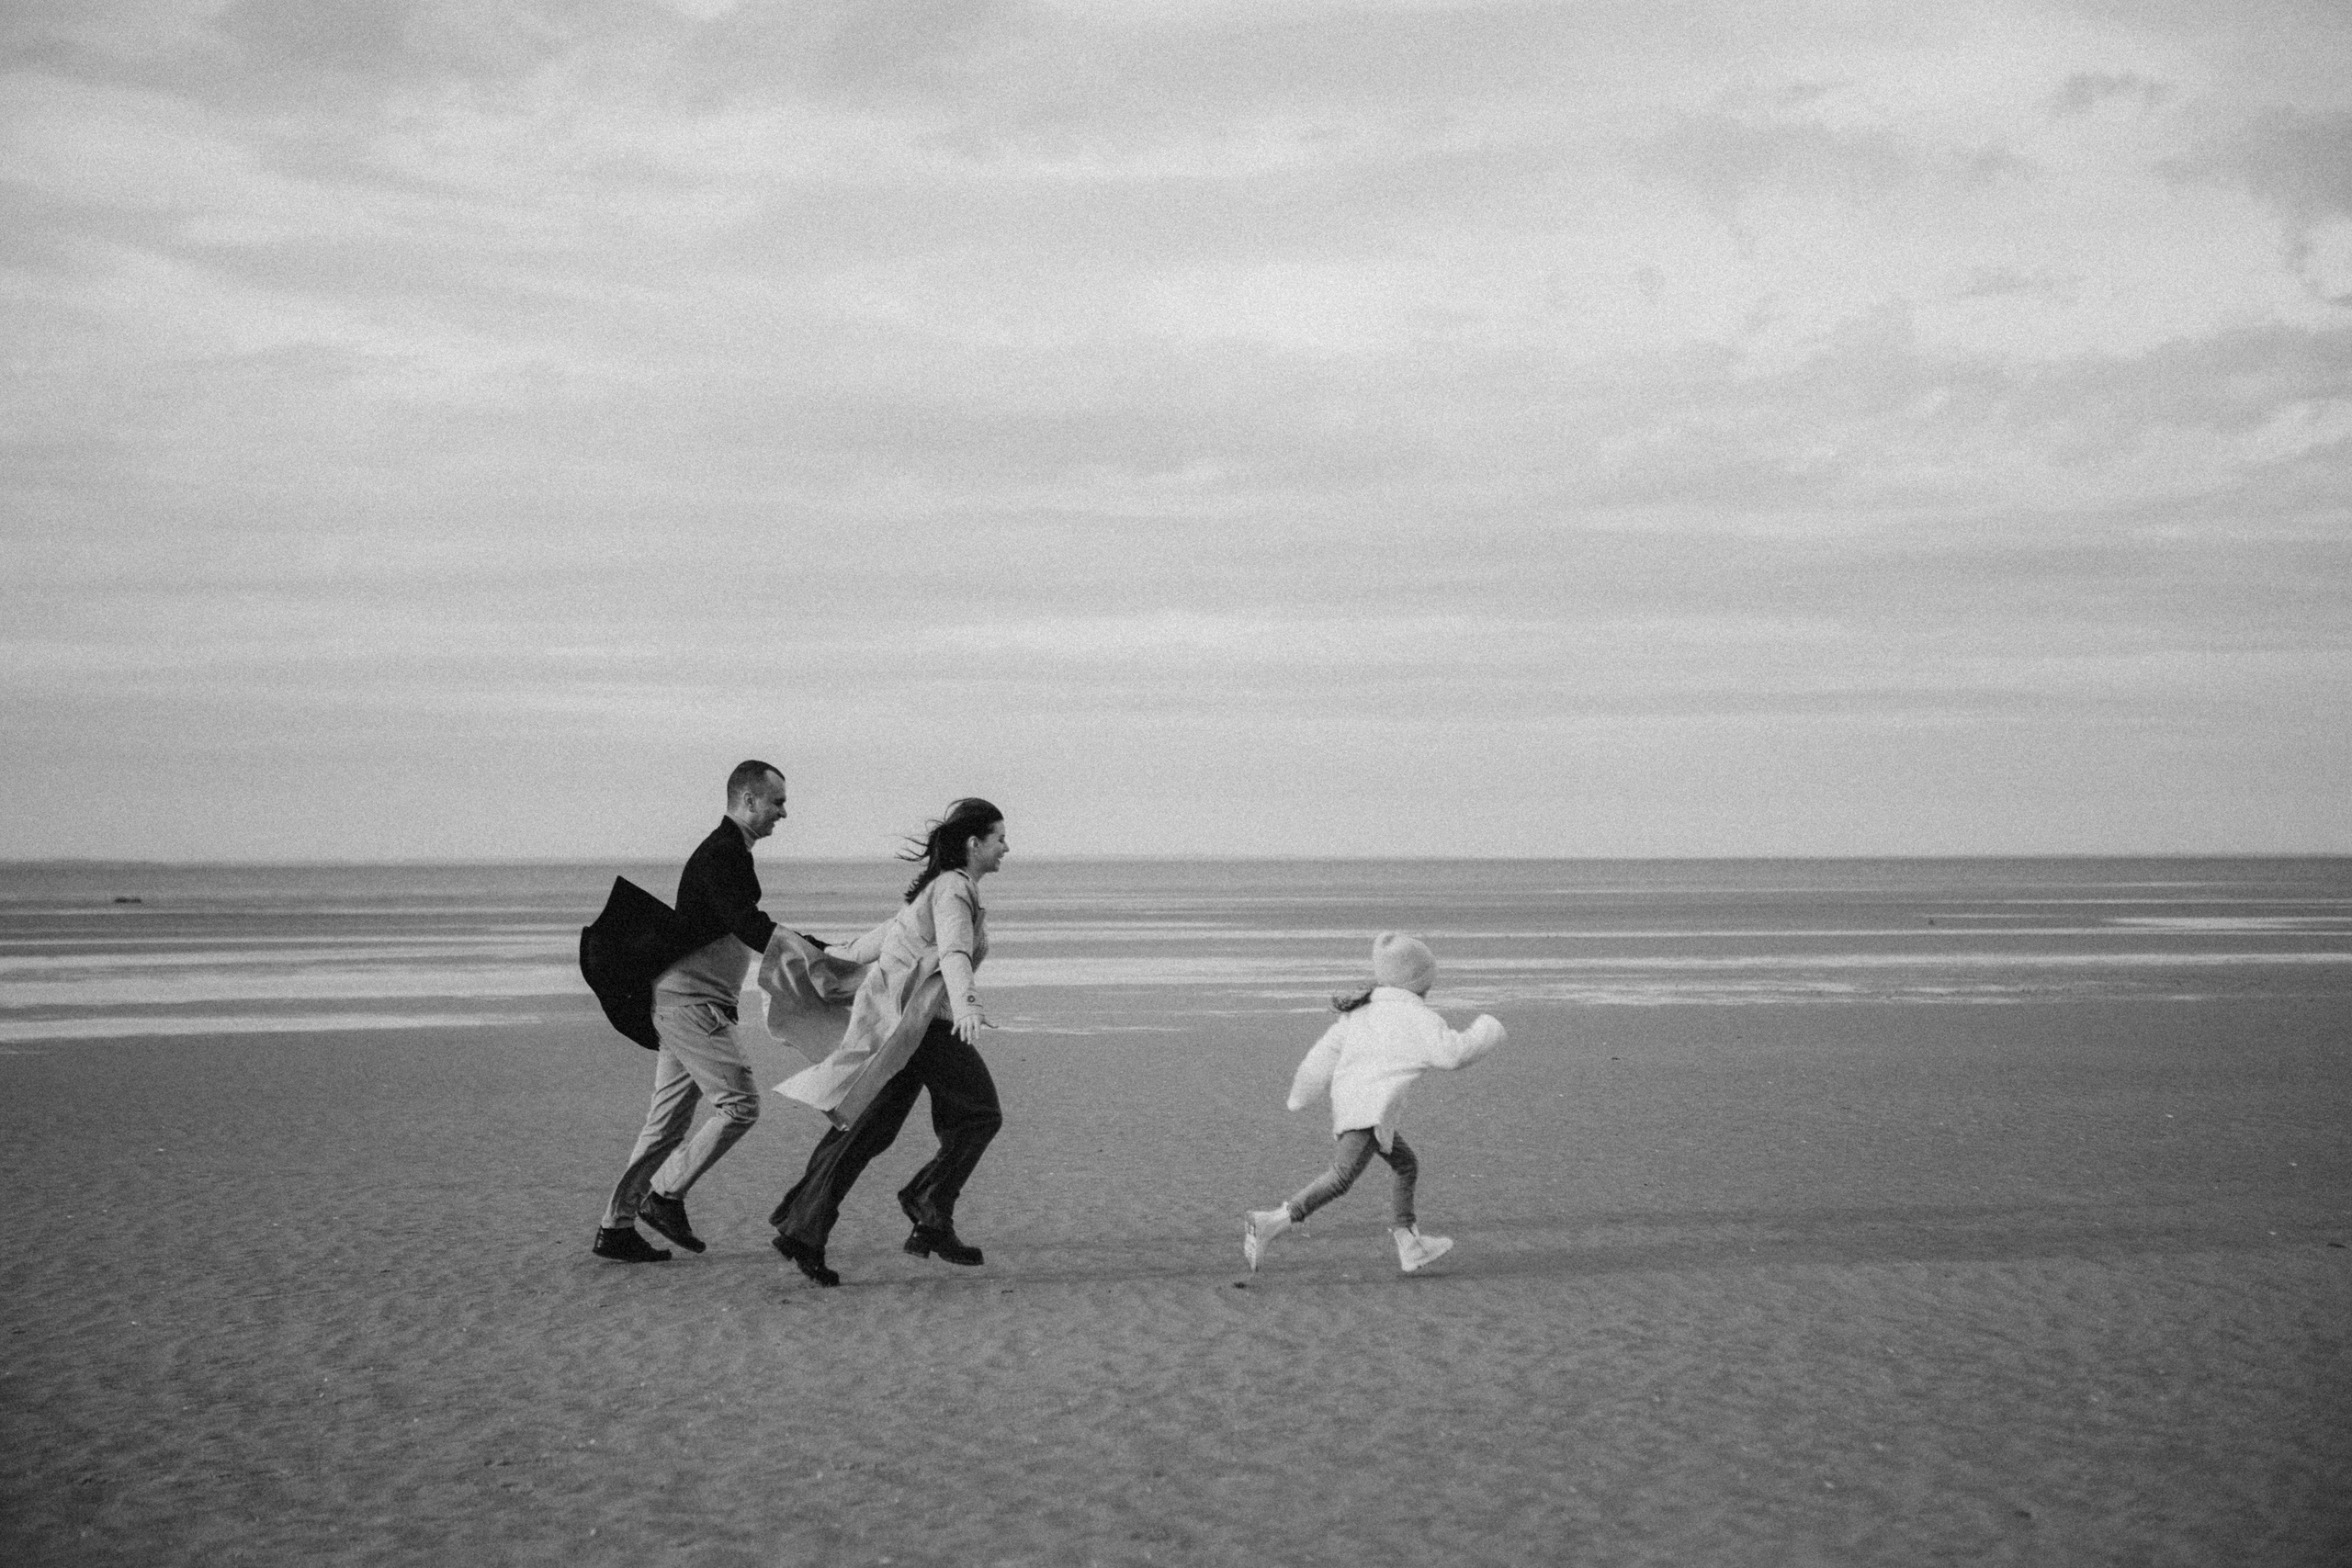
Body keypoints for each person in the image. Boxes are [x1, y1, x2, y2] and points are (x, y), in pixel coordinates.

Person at [768, 798, 1009, 1286]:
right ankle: (928, 1204)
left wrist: (823, 954)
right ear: (974, 843)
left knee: (865, 1128)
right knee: (980, 1114)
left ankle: (802, 1227)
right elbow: (954, 951)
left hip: (903, 1030)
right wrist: (966, 1006)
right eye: (1000, 838)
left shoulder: (936, 893)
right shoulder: (953, 891)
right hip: (926, 1028)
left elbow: (873, 944)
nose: (1006, 848)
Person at [592, 761, 790, 1262]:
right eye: (777, 802)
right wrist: (810, 952)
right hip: (691, 1005)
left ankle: (615, 1228)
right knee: (739, 1104)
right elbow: (746, 923)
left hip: (687, 1002)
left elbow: (736, 923)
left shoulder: (728, 851)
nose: (783, 813)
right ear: (748, 801)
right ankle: (664, 1195)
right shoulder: (724, 853)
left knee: (666, 1126)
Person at [1243, 932, 1505, 1275]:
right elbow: (1452, 1054)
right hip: (1370, 1113)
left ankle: (1409, 1243)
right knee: (1341, 1178)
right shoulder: (1415, 1018)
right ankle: (1272, 1221)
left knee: (1406, 1165)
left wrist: (1300, 1096)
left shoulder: (1360, 1014)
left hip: (1356, 1107)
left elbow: (1319, 1057)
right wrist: (1488, 1029)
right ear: (1418, 982)